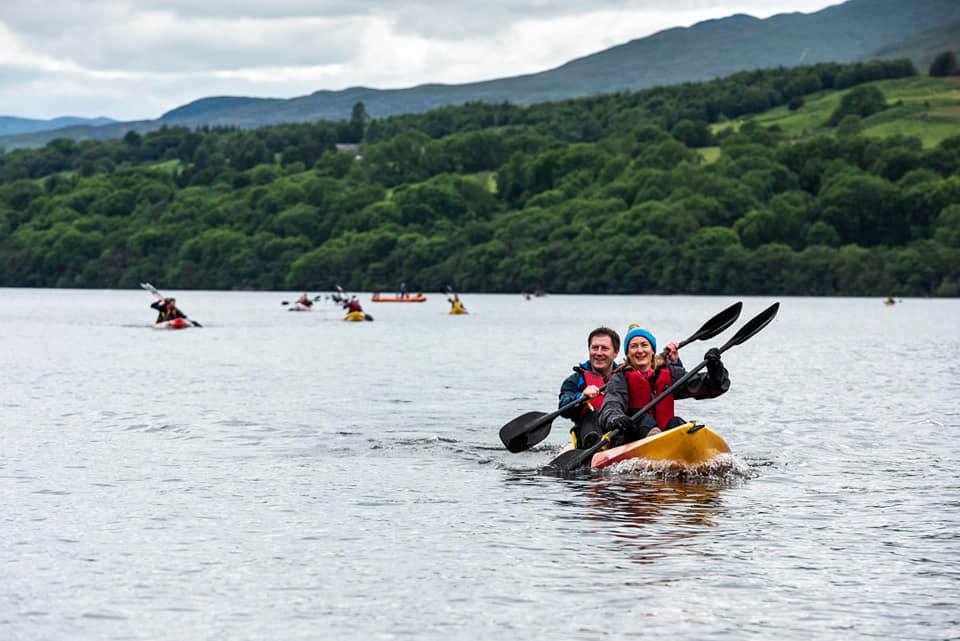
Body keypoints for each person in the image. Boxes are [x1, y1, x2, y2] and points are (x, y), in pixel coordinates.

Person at [598, 326, 729, 446]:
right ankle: (657, 440)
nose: (640, 350)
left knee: (676, 423)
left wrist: (715, 368)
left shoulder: (670, 373)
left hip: (665, 434)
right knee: (641, 417)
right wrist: (616, 419)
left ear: (652, 351)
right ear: (627, 354)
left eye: (644, 345)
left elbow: (713, 387)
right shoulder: (620, 378)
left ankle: (683, 444)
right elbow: (610, 406)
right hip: (633, 437)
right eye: (633, 346)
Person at [558, 327, 621, 449]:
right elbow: (563, 408)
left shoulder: (624, 377)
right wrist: (581, 397)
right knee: (591, 413)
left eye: (604, 348)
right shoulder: (575, 380)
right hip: (587, 436)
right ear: (589, 349)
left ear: (615, 352)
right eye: (594, 348)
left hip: (616, 431)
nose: (598, 353)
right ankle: (592, 443)